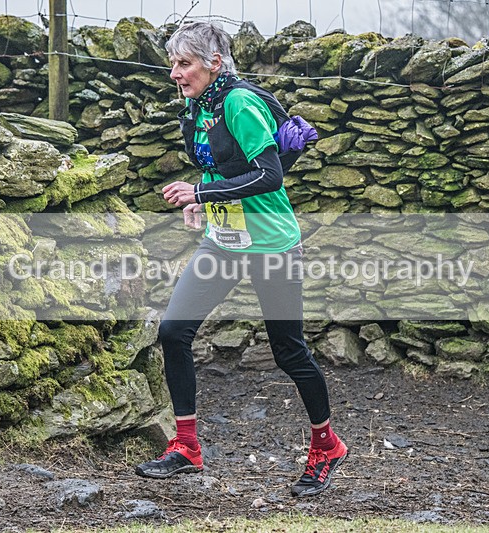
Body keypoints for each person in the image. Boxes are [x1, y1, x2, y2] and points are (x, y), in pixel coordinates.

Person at [134, 21, 347, 498]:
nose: (175, 73)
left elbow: (268, 175)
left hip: (272, 245)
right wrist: (203, 202)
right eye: (172, 63)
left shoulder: (239, 103)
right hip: (225, 243)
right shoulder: (198, 105)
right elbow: (221, 168)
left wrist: (201, 190)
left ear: (214, 64)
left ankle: (326, 445)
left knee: (289, 352)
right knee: (173, 331)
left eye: (184, 64)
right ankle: (186, 446)